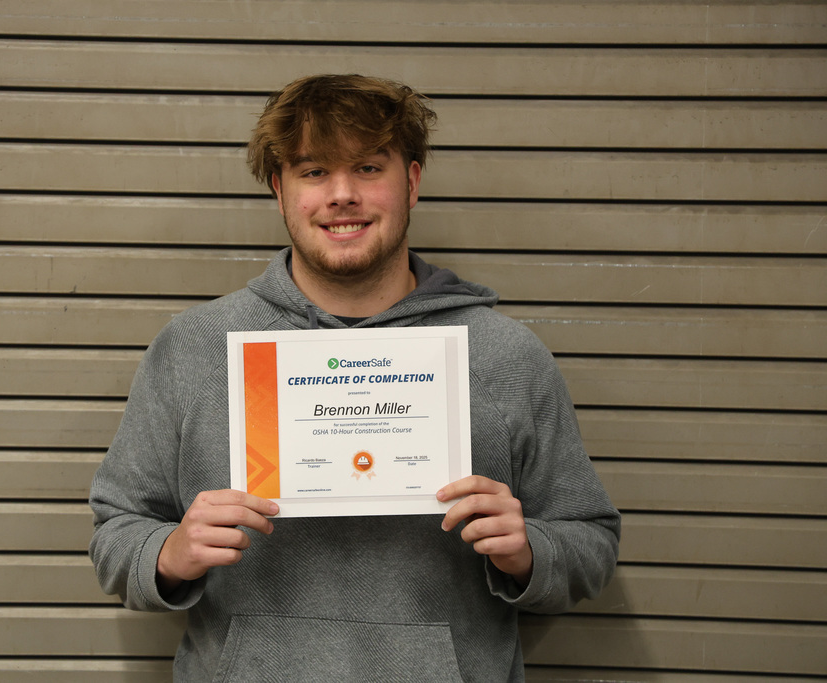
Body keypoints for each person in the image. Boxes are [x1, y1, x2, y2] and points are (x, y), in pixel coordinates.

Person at [89, 74, 620, 682]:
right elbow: (116, 533)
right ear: (279, 190)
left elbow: (591, 541)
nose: (342, 195)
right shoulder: (195, 348)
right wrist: (169, 554)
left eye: (369, 168)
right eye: (314, 171)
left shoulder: (504, 355)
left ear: (412, 182)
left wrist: (530, 553)